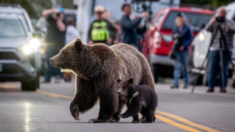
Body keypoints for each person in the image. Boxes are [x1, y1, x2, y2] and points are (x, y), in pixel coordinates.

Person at [205, 7, 235, 93]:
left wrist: (229, 29)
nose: (221, 15)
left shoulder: (230, 22)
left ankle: (222, 87)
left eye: (223, 13)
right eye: (220, 13)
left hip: (226, 47)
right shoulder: (214, 21)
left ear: (225, 14)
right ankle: (210, 86)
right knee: (212, 68)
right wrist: (213, 21)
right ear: (217, 13)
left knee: (224, 69)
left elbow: (234, 30)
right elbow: (206, 29)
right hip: (214, 47)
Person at [42, 7, 66, 83]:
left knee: (58, 62)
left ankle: (58, 77)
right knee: (48, 61)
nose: (59, 15)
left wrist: (58, 20)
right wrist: (53, 10)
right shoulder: (51, 19)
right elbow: (44, 13)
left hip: (59, 45)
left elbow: (62, 29)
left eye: (60, 14)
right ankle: (47, 77)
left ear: (63, 15)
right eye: (58, 13)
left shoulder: (63, 22)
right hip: (50, 44)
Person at [171, 13, 193, 89]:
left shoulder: (187, 28)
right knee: (177, 66)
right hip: (177, 49)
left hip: (184, 50)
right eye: (179, 18)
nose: (180, 20)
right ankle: (175, 83)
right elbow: (172, 37)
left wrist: (184, 46)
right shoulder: (176, 27)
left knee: (185, 67)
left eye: (181, 18)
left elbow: (190, 39)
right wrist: (174, 36)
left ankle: (186, 82)